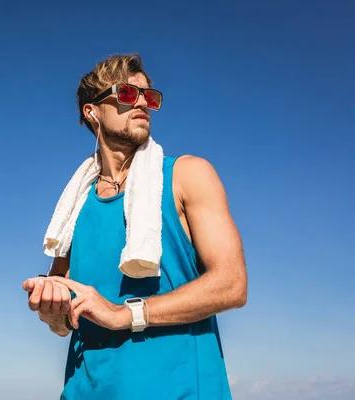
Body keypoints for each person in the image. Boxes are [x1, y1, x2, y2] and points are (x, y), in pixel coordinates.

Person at [22, 53, 247, 399]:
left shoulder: (187, 175)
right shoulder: (74, 208)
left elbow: (232, 285)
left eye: (149, 96)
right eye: (127, 93)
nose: (143, 102)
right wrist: (53, 311)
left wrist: (122, 314)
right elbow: (63, 321)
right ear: (92, 111)